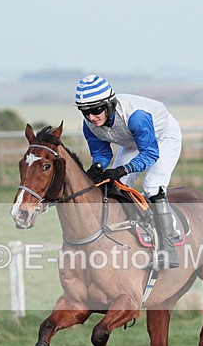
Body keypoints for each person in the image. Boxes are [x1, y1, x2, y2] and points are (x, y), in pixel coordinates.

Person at [74, 73, 182, 268]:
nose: (91, 117)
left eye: (96, 110)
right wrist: (98, 166)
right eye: (85, 111)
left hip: (162, 136)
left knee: (153, 186)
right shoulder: (89, 125)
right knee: (118, 185)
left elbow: (150, 153)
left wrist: (124, 168)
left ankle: (168, 247)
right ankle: (133, 232)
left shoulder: (137, 117)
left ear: (109, 104)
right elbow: (101, 152)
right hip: (132, 139)